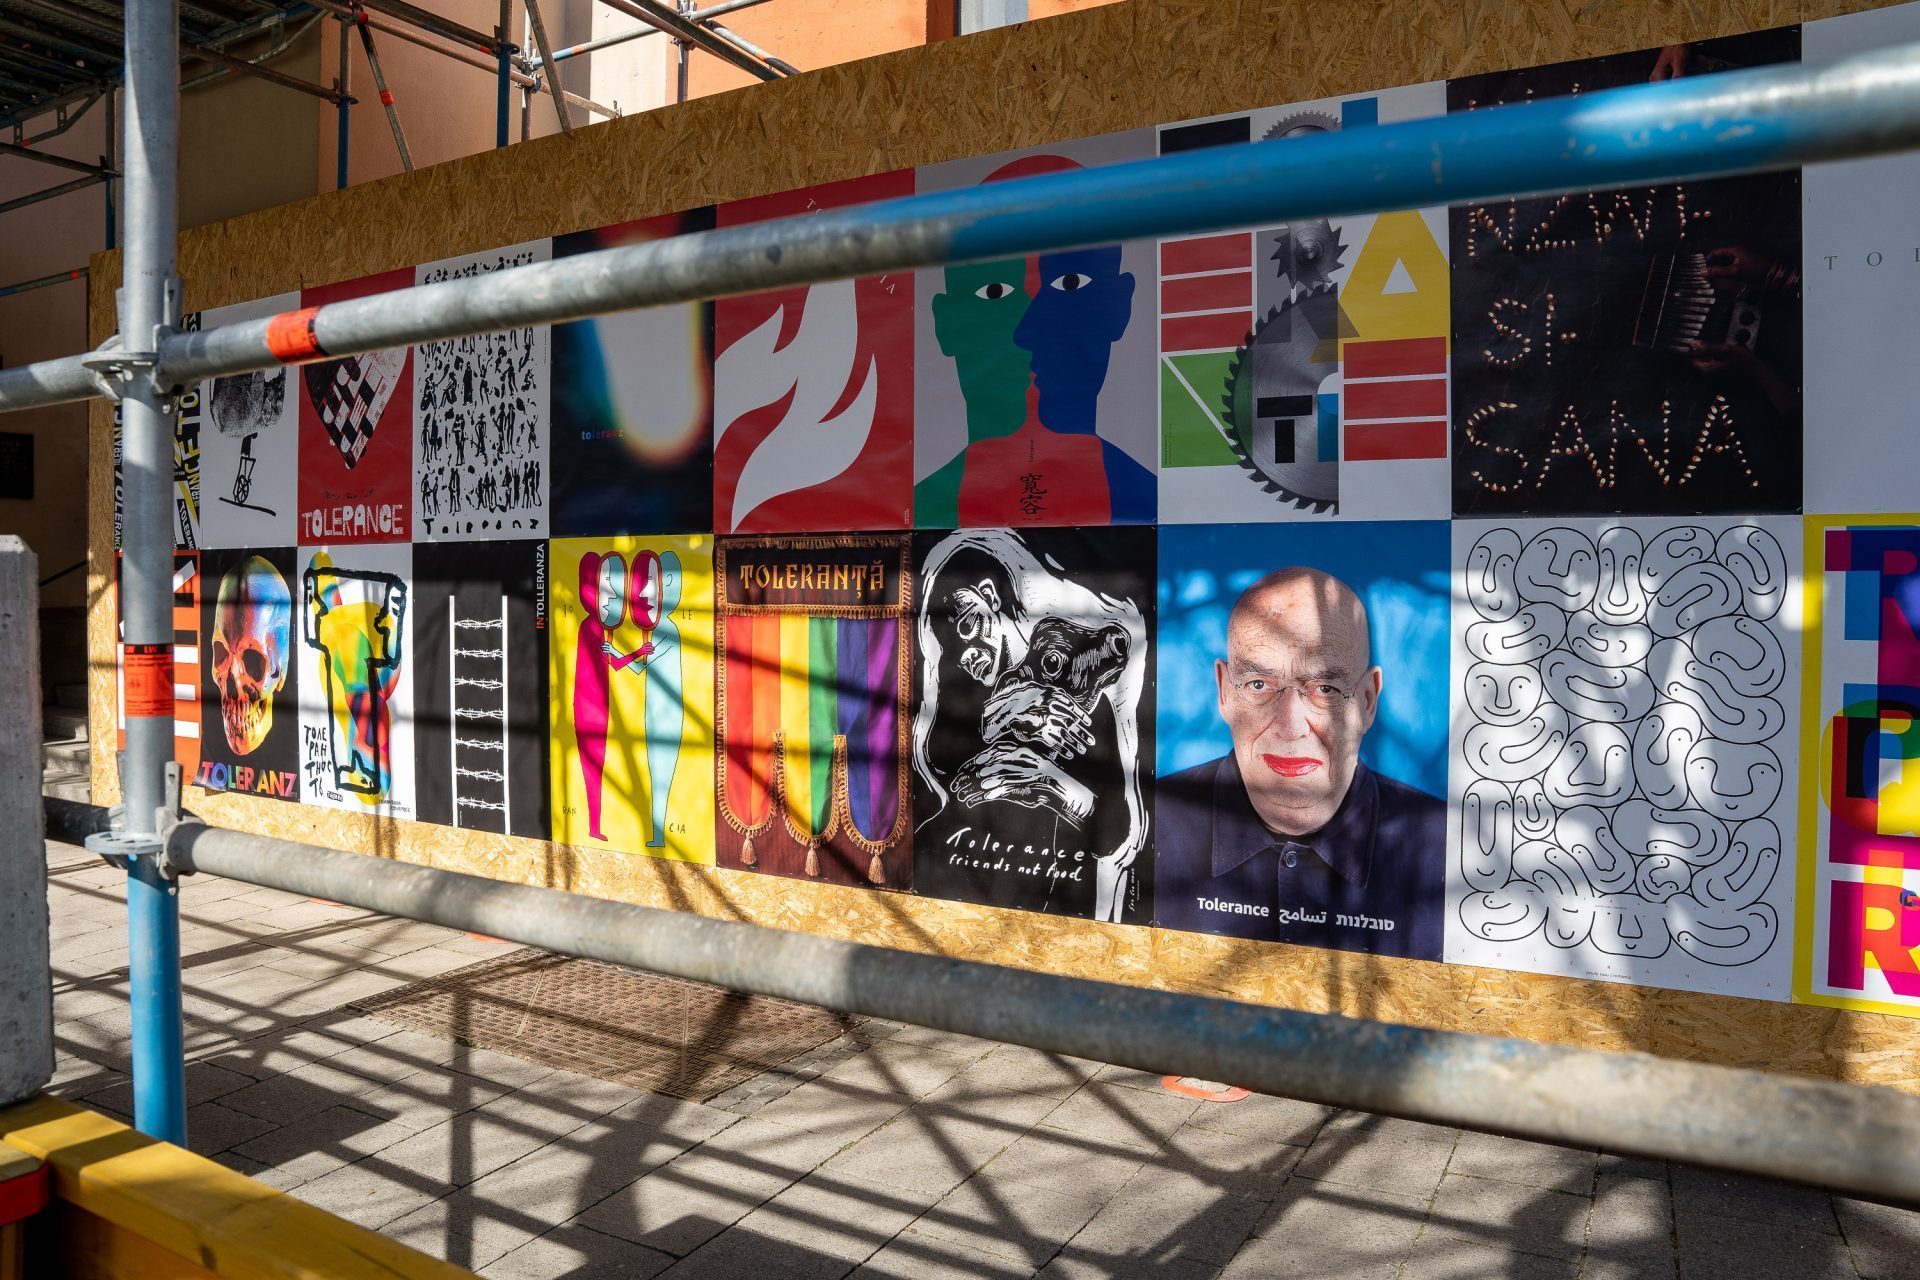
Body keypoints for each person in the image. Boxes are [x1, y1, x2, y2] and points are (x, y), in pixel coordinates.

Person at [1155, 567, 1444, 959]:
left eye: (1325, 688)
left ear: (1367, 702)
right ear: (1225, 692)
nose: (1290, 727)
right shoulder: (1142, 825)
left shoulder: (1451, 849)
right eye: (1259, 684)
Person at [915, 154, 1155, 527]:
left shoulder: (1157, 504)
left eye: (1070, 283)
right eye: (994, 292)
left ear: (1119, 305)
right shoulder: (916, 513)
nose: (1028, 329)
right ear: (947, 322)